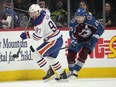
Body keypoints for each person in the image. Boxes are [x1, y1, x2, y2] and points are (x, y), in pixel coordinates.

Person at [20, 4, 67, 81]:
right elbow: (46, 10)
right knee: (50, 58)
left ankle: (49, 71)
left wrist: (27, 35)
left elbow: (37, 37)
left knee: (35, 55)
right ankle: (62, 73)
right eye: (31, 13)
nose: (32, 15)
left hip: (53, 41)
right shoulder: (44, 12)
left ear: (38, 11)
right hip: (58, 39)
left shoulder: (38, 21)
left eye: (34, 13)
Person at [66, 8, 104, 79]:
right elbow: (71, 33)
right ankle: (71, 71)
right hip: (79, 39)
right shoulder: (73, 22)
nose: (77, 19)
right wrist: (73, 40)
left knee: (84, 52)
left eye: (79, 17)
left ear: (84, 17)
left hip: (91, 39)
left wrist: (96, 36)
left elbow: (101, 28)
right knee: (70, 53)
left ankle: (75, 71)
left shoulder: (91, 20)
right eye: (76, 17)